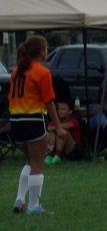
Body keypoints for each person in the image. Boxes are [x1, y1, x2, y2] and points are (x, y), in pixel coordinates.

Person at [9, 36, 64, 215]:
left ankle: (19, 198)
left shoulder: (16, 71)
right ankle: (33, 206)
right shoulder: (42, 72)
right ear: (41, 52)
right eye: (46, 48)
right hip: (33, 119)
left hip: (16, 121)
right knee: (38, 164)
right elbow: (49, 102)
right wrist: (58, 126)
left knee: (30, 161)